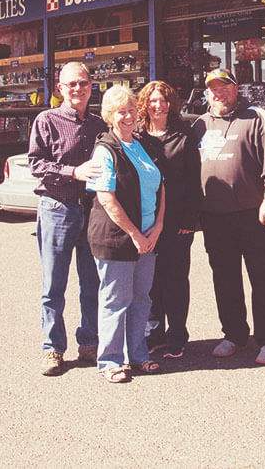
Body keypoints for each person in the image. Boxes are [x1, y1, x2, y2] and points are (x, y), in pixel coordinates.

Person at [191, 68, 265, 365]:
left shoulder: (258, 118)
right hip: (214, 217)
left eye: (224, 87)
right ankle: (233, 334)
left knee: (261, 275)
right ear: (208, 92)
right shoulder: (199, 125)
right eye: (213, 88)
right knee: (224, 277)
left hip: (252, 213)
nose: (219, 92)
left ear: (236, 88)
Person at [27, 61, 105, 376]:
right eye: (70, 84)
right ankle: (52, 349)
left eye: (82, 83)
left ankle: (89, 342)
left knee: (92, 283)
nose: (77, 89)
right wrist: (73, 172)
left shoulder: (99, 124)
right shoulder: (46, 120)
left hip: (91, 211)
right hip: (57, 209)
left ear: (91, 86)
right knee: (53, 285)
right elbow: (35, 163)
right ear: (60, 88)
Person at [85, 85, 166, 383]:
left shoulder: (141, 144)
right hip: (117, 238)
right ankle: (110, 361)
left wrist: (157, 226)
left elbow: (160, 185)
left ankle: (139, 354)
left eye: (132, 110)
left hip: (148, 235)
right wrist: (135, 234)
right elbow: (107, 198)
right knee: (115, 301)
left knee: (141, 298)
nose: (129, 116)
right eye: (122, 111)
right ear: (109, 115)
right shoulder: (105, 149)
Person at [138, 81, 202, 359]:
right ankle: (154, 335)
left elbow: (193, 180)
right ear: (145, 104)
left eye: (163, 100)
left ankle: (177, 335)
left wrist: (190, 220)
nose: (158, 105)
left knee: (176, 280)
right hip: (148, 220)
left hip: (178, 221)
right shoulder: (138, 137)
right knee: (150, 281)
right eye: (152, 101)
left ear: (170, 104)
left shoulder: (183, 135)